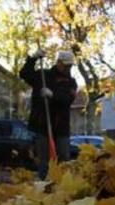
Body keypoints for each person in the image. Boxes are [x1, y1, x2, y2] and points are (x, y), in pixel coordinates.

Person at [19, 50, 77, 179]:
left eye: (70, 65)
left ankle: (64, 185)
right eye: (66, 65)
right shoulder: (43, 76)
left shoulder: (71, 82)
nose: (68, 68)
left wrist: (52, 95)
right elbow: (24, 74)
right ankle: (44, 185)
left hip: (61, 127)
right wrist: (33, 59)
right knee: (44, 160)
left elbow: (68, 100)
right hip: (42, 125)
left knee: (64, 159)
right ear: (59, 63)